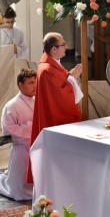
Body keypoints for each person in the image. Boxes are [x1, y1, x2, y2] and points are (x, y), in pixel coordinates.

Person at [27, 32, 83, 183]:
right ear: (54, 49)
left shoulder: (53, 64)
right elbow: (60, 96)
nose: (67, 47)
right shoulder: (46, 70)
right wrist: (72, 79)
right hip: (54, 122)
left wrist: (70, 78)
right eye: (63, 44)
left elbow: (61, 85)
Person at [0, 68, 36, 200]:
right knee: (19, 191)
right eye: (31, 83)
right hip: (21, 150)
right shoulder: (12, 105)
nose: (35, 85)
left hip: (35, 147)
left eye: (35, 82)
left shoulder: (37, 100)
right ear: (20, 85)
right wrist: (32, 125)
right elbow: (9, 131)